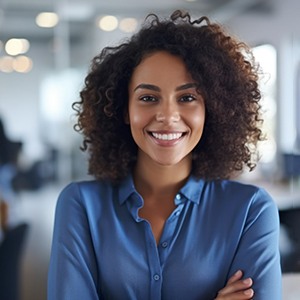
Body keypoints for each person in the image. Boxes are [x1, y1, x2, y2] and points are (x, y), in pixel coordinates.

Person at [48, 10, 281, 299]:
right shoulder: (80, 205)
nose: (168, 116)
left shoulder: (250, 211)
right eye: (148, 98)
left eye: (187, 98)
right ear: (124, 109)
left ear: (212, 109)